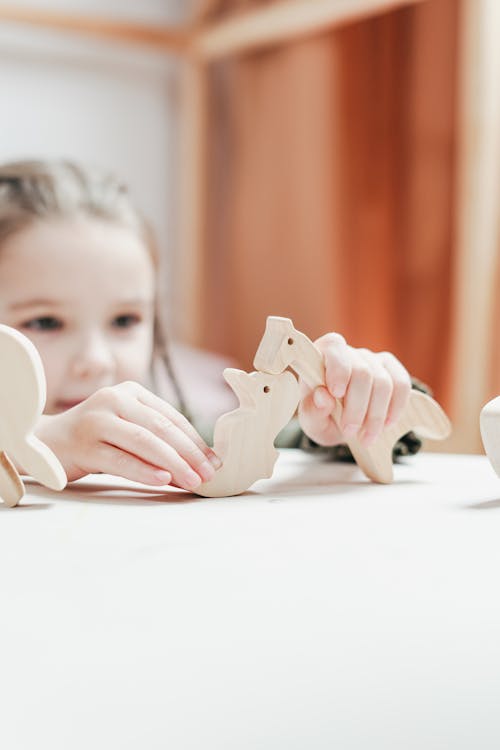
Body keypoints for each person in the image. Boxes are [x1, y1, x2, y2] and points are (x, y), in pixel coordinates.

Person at [0, 159, 415, 492]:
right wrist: (31, 442)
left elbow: (266, 446)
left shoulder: (169, 433)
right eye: (45, 322)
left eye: (125, 320)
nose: (96, 361)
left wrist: (344, 413)